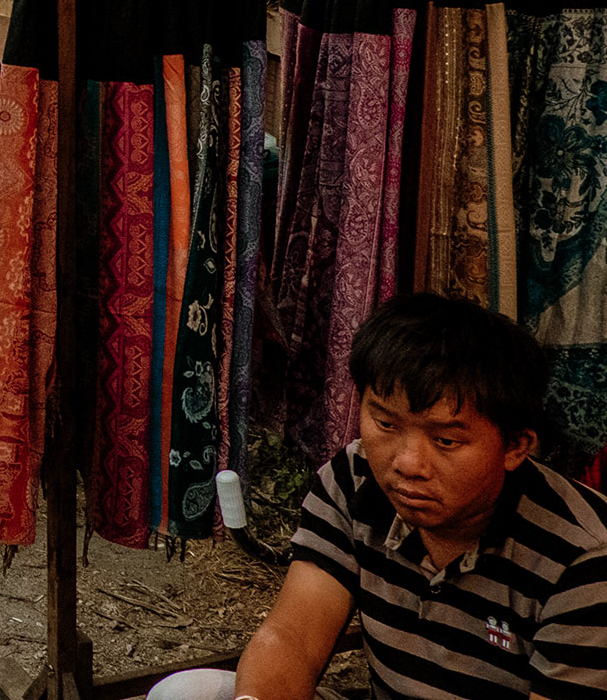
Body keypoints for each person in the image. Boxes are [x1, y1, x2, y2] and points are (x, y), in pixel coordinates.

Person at [149, 294, 607, 700]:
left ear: (515, 447)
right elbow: (293, 635)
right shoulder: (355, 478)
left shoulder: (584, 558)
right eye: (386, 424)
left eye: (445, 440)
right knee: (187, 692)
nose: (407, 462)